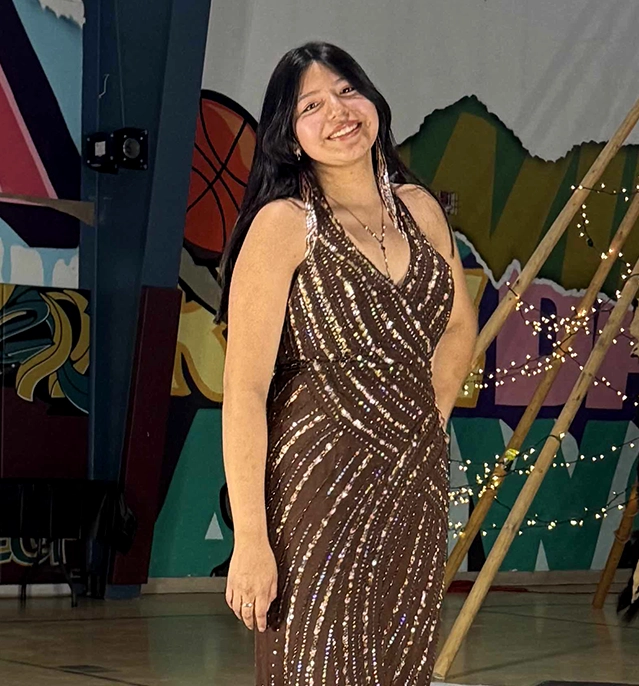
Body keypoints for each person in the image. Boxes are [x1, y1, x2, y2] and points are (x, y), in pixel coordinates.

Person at [215, 42, 478, 684]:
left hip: (413, 487)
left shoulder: (419, 209)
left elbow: (459, 325)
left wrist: (426, 422)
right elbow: (245, 389)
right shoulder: (283, 225)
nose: (337, 110)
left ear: (373, 101)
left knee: (400, 664)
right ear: (291, 135)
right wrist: (250, 538)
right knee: (314, 665)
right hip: (317, 491)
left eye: (346, 90)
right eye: (311, 104)